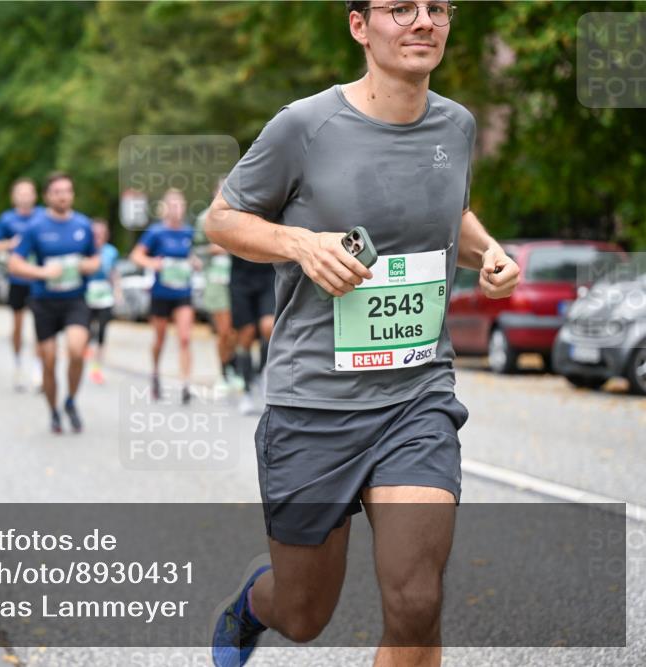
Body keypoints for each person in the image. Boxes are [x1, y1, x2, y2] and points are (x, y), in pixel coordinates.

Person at [205, 3, 521, 666]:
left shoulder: (457, 125)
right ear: (359, 26)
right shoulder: (305, 126)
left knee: (417, 601)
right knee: (304, 613)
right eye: (400, 8)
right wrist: (301, 243)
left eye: (437, 8)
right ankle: (253, 606)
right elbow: (223, 219)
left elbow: (452, 212)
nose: (423, 21)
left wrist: (489, 251)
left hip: (417, 398)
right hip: (314, 404)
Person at [7, 172, 99, 434]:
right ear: (47, 196)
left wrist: (87, 265)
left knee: (76, 351)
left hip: (75, 300)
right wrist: (42, 272)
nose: (63, 196)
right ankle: (53, 412)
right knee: (48, 361)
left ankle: (70, 400)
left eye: (67, 191)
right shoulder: (35, 227)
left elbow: (96, 259)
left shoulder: (83, 224)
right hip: (44, 302)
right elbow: (14, 263)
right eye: (57, 192)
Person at [131, 188, 198, 405]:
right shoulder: (156, 232)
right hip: (161, 293)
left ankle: (186, 383)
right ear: (165, 208)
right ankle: (155, 373)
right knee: (160, 340)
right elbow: (136, 256)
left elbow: (195, 255)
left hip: (183, 292)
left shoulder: (189, 232)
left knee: (185, 338)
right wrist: (153, 263)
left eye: (180, 204)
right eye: (172, 204)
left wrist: (195, 262)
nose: (176, 208)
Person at [0, 177, 45, 391]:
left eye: (28, 192)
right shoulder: (7, 219)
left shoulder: (42, 216)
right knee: (18, 326)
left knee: (41, 325)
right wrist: (10, 243)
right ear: (14, 197)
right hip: (17, 280)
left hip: (39, 279)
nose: (25, 197)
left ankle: (38, 368)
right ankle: (18, 365)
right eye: (20, 193)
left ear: (35, 196)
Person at [195, 185, 242, 396]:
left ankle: (234, 369)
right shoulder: (204, 219)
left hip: (236, 281)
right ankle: (223, 374)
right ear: (215, 193)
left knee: (235, 332)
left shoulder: (241, 217)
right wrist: (214, 249)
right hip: (215, 281)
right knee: (223, 331)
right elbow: (195, 250)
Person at [229, 253, 276, 415]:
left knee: (268, 326)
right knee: (246, 335)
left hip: (268, 273)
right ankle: (246, 390)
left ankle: (262, 373)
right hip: (241, 276)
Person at [85, 219, 121, 384]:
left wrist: (118, 292)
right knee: (86, 331)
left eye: (101, 233)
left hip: (105, 296)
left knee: (102, 332)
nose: (98, 236)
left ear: (106, 235)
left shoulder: (111, 252)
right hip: (87, 295)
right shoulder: (85, 250)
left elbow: (114, 273)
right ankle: (83, 353)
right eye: (95, 234)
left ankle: (96, 369)